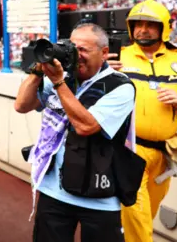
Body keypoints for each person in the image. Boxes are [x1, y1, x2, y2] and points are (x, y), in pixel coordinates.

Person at [14, 23, 136, 242]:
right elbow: (22, 105)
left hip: (100, 196)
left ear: (105, 53)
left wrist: (59, 83)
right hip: (54, 190)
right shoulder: (63, 78)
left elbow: (86, 126)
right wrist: (37, 70)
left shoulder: (121, 87)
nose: (75, 55)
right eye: (72, 47)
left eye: (83, 50)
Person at [108, 0, 177, 242]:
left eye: (150, 24)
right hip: (128, 152)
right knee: (139, 223)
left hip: (164, 156)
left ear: (164, 28)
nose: (142, 29)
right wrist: (102, 74)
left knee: (146, 217)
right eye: (137, 24)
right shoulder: (116, 58)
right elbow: (90, 95)